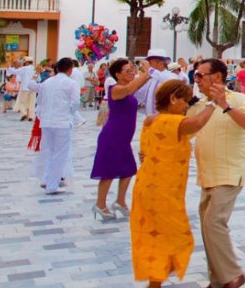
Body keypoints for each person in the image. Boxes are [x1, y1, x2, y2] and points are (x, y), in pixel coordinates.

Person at [130, 78, 217, 288]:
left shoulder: (151, 120)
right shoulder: (172, 121)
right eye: (184, 101)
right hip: (161, 191)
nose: (186, 106)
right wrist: (214, 103)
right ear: (172, 99)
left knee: (159, 238)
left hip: (152, 187)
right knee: (173, 238)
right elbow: (197, 123)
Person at [186, 58, 245, 288]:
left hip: (228, 173)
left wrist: (225, 105)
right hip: (207, 175)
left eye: (200, 75)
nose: (196, 79)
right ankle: (217, 280)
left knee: (215, 222)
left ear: (217, 77)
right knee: (207, 226)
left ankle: (233, 275)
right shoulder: (201, 104)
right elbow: (187, 130)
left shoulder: (238, 99)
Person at [90, 58, 152, 221]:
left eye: (132, 69)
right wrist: (146, 72)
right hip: (113, 136)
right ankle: (100, 203)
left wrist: (148, 73)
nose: (131, 72)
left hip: (124, 138)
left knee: (128, 169)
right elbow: (133, 87)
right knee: (108, 172)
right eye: (127, 70)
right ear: (118, 74)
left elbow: (137, 87)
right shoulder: (115, 89)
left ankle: (120, 201)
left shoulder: (127, 88)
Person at [29, 57, 81, 194]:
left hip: (47, 121)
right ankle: (52, 184)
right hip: (62, 121)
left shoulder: (47, 82)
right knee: (60, 154)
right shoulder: (71, 83)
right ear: (70, 69)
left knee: (50, 151)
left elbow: (39, 100)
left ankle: (47, 179)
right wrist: (70, 113)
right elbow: (76, 102)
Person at [134, 49, 177, 115]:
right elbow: (139, 94)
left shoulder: (170, 76)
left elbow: (166, 79)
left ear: (161, 64)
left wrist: (149, 70)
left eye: (150, 63)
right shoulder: (151, 78)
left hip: (164, 119)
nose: (148, 65)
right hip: (151, 119)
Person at [14, 57, 37, 122]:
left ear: (26, 62)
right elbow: (39, 79)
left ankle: (24, 113)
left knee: (21, 102)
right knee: (32, 103)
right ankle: (31, 117)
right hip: (33, 88)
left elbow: (18, 79)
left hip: (24, 88)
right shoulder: (35, 68)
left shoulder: (23, 69)